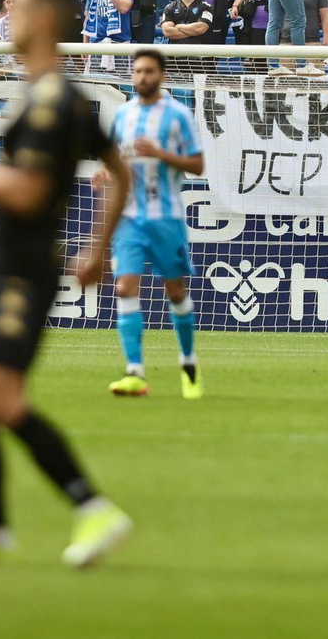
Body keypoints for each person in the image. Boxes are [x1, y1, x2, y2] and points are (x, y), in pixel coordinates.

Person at [0, 0, 134, 575]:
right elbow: (121, 174)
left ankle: (92, 507)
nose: (6, 16)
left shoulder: (50, 104)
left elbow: (27, 191)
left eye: (16, 7)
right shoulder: (55, 94)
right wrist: (97, 249)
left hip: (22, 272)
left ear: (44, 21)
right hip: (2, 266)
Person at [103, 49, 207, 400]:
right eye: (136, 71)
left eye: (148, 71)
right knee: (124, 288)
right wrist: (108, 171)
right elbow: (117, 160)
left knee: (175, 292)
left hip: (167, 217)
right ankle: (135, 372)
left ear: (161, 75)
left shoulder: (177, 115)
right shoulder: (123, 115)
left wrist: (160, 153)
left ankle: (188, 363)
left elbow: (197, 165)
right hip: (130, 217)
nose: (141, 77)